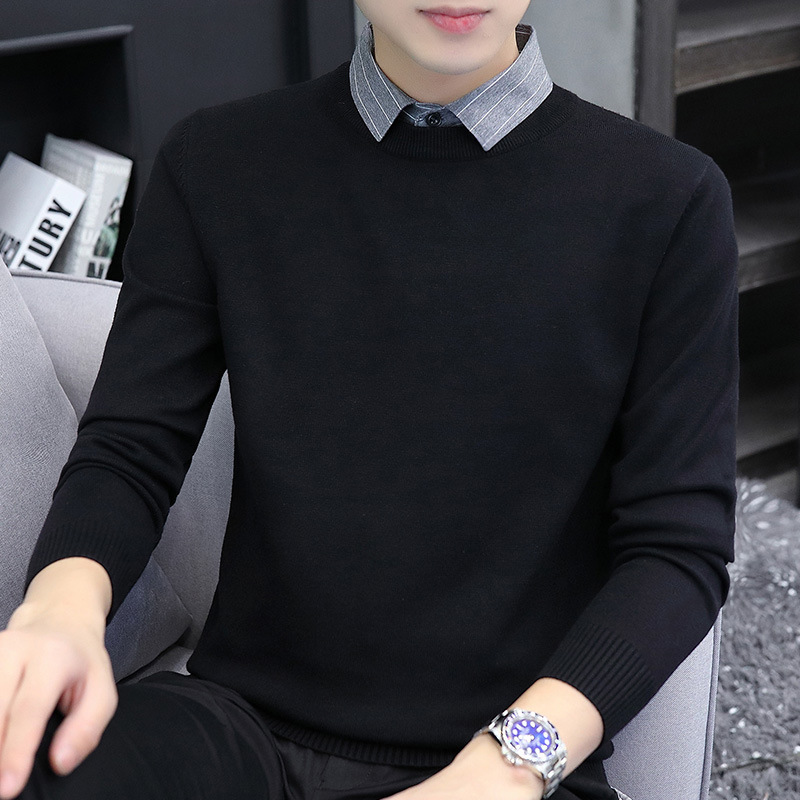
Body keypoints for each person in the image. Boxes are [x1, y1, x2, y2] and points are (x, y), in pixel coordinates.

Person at [0, 1, 739, 799]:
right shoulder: (217, 161)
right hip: (242, 730)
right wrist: (59, 610)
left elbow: (677, 549)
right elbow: (130, 447)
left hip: (506, 762)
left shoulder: (668, 199)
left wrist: (509, 767)